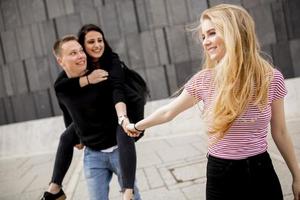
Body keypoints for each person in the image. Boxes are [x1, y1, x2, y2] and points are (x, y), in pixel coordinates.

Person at [126, 4, 300, 200]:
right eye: (203, 36)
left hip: (261, 172)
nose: (205, 42)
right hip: (221, 175)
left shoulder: (271, 78)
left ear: (233, 33)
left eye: (211, 33)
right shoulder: (204, 80)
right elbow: (168, 111)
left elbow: (281, 131)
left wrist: (297, 177)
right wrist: (137, 125)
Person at [42, 32, 140, 200]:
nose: (81, 56)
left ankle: (128, 192)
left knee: (131, 197)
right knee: (66, 137)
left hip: (119, 150)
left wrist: (124, 118)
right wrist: (76, 137)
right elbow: (67, 110)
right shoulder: (62, 87)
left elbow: (118, 92)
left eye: (81, 51)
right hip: (93, 155)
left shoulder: (101, 74)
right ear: (60, 61)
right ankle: (55, 188)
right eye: (73, 53)